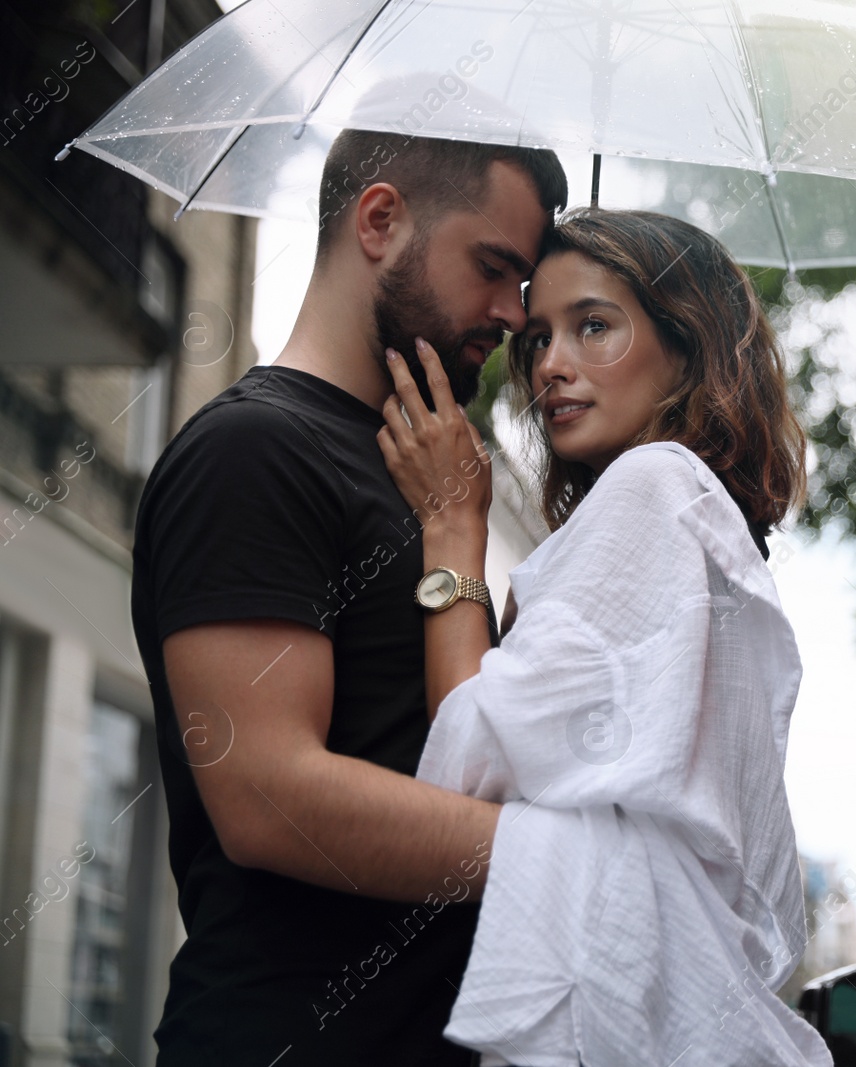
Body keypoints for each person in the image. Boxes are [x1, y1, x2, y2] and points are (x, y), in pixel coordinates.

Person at [129, 130, 566, 1065]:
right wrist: (565, 859)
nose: (513, 314)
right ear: (380, 220)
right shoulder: (251, 450)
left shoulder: (435, 473)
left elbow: (458, 754)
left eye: (525, 285)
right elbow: (268, 794)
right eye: (493, 267)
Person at [376, 208, 832, 1066]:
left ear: (687, 345)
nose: (551, 363)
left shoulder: (655, 488)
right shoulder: (686, 511)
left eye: (594, 326)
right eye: (540, 336)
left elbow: (472, 761)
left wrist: (450, 530)